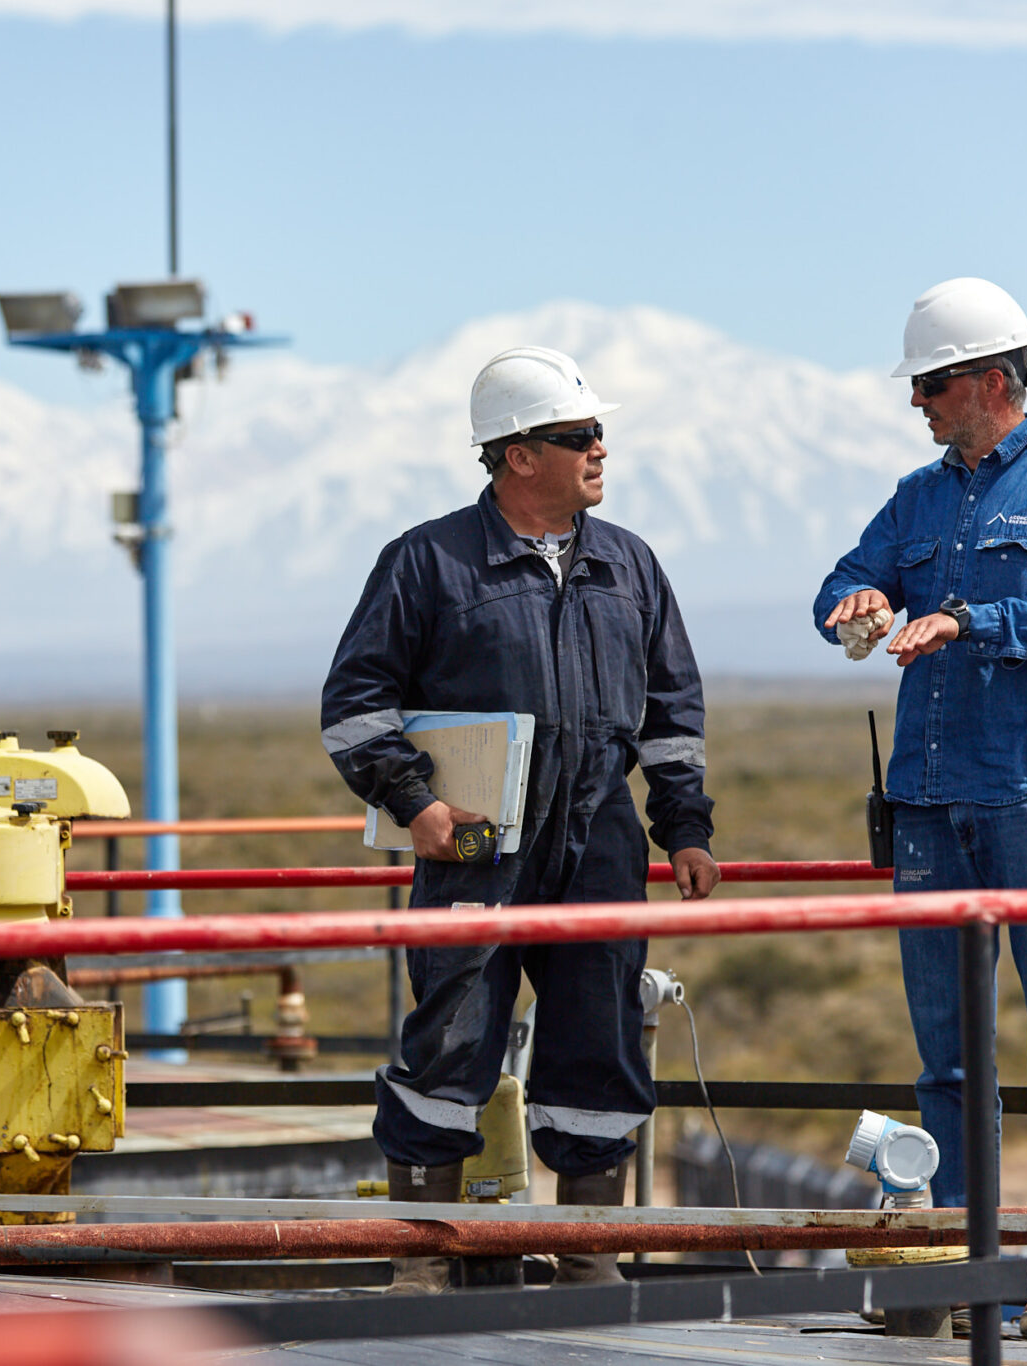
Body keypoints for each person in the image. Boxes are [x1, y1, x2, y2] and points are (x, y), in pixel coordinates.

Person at [322, 345, 720, 1295]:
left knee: (600, 1044)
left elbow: (672, 715)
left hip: (599, 848)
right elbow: (356, 706)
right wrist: (415, 804)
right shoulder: (428, 562)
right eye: (580, 435)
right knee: (449, 1042)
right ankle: (422, 1262)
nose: (600, 449)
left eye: (599, 433)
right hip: (474, 851)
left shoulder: (630, 565)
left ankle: (588, 1259)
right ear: (518, 455)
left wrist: (686, 828)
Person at [814, 278, 1027, 1344]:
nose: (916, 401)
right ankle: (963, 1269)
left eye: (932, 384)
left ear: (992, 381)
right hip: (926, 805)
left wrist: (968, 620)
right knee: (947, 1060)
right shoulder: (914, 497)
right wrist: (856, 602)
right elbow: (841, 582)